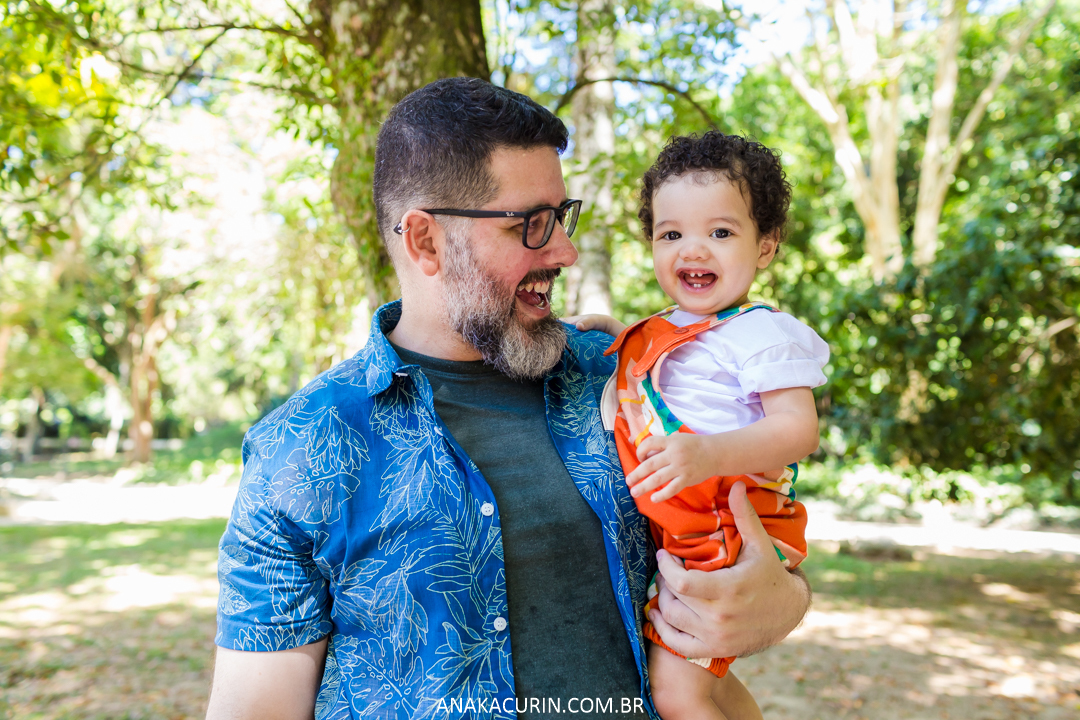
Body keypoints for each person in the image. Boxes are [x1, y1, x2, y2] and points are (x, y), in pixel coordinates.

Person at [205, 79, 812, 720]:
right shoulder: (301, 447)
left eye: (561, 216)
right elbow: (256, 709)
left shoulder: (622, 376)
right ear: (426, 241)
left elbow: (752, 523)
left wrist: (784, 603)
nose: (565, 252)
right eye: (531, 225)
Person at [566, 131, 829, 720]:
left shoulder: (762, 333)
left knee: (675, 692)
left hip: (726, 530)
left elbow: (798, 430)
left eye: (721, 232)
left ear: (766, 246)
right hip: (688, 529)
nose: (694, 250)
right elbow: (671, 378)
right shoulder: (672, 325)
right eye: (672, 234)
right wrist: (621, 336)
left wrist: (708, 455)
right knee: (706, 683)